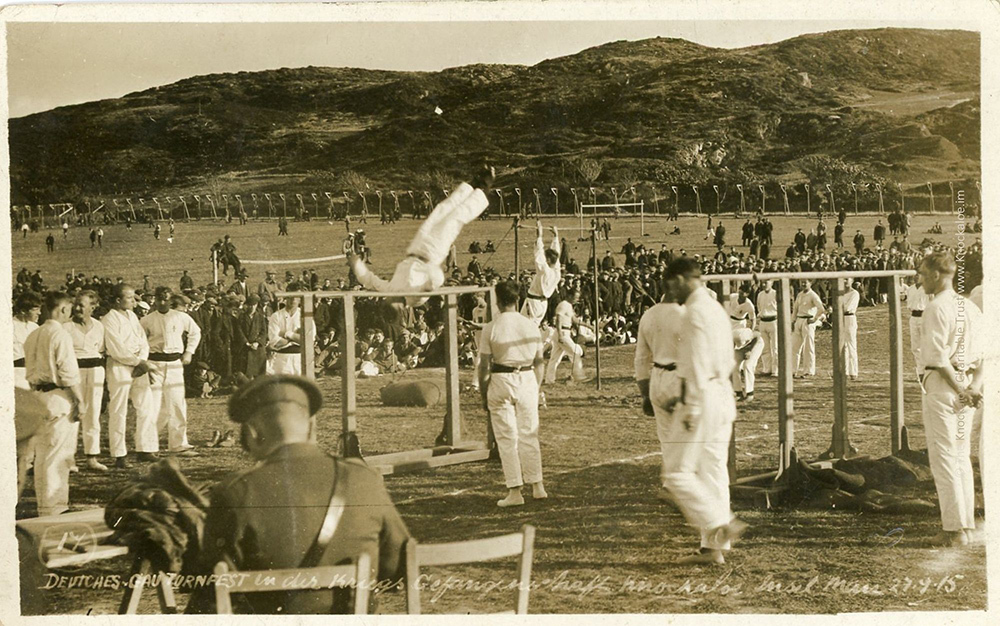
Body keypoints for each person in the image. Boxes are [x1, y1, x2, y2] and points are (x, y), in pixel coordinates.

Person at [185, 375, 410, 614]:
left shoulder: (235, 493)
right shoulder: (365, 479)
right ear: (312, 427)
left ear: (250, 434)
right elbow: (397, 564)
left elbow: (212, 588)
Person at [660, 258, 745, 565]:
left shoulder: (694, 313)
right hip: (722, 394)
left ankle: (721, 524)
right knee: (712, 470)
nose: (671, 293)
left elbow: (695, 365)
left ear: (683, 279)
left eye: (671, 285)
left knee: (675, 474)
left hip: (702, 396)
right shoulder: (715, 309)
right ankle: (714, 550)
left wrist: (690, 406)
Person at [349, 166, 494, 307]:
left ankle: (473, 183)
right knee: (454, 218)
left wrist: (355, 263)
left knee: (440, 210)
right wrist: (431, 268)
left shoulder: (390, 291)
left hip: (415, 249)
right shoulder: (414, 299)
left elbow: (369, 280)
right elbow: (436, 280)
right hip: (432, 253)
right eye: (388, 304)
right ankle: (485, 188)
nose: (385, 301)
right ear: (398, 308)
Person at [917, 251, 983, 547]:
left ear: (936, 275)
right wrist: (972, 388)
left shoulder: (936, 308)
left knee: (944, 457)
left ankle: (954, 529)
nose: (919, 280)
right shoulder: (970, 307)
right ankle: (965, 525)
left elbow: (939, 358)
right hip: (967, 385)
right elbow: (984, 359)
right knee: (960, 457)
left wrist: (959, 390)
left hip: (947, 387)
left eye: (922, 274)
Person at [477, 280, 547, 507]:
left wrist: (483, 392)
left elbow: (484, 365)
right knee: (529, 433)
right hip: (526, 378)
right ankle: (537, 486)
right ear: (518, 300)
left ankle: (515, 490)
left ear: (497, 301)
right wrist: (536, 387)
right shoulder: (530, 325)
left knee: (507, 438)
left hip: (501, 378)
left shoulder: (491, 327)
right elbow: (539, 362)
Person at [24, 291, 84, 516]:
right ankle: (54, 506)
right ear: (62, 310)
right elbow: (68, 373)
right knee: (58, 454)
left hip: (38, 396)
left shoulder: (33, 334)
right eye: (70, 309)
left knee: (44, 454)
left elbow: (30, 371)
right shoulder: (60, 335)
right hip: (58, 396)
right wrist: (80, 401)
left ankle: (49, 505)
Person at [634, 277, 685, 498]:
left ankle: (673, 482)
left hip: (657, 377)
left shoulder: (649, 315)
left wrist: (645, 394)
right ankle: (684, 483)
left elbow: (641, 358)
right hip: (681, 377)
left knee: (667, 435)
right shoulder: (684, 315)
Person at [141, 286, 202, 456]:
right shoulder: (147, 320)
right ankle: (148, 446)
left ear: (171, 300)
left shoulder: (181, 317)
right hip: (155, 364)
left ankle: (178, 444)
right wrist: (144, 362)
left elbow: (195, 333)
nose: (162, 302)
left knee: (176, 404)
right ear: (155, 299)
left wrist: (189, 352)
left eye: (166, 299)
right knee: (154, 405)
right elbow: (140, 341)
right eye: (159, 299)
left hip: (175, 364)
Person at [102, 283, 157, 468]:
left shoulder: (133, 316)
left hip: (139, 366)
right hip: (119, 366)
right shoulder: (109, 319)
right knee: (119, 410)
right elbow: (116, 348)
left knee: (146, 406)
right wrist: (137, 362)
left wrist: (142, 360)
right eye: (130, 298)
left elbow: (143, 341)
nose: (134, 301)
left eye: (135, 297)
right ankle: (119, 454)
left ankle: (145, 448)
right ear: (118, 300)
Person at [65, 290, 108, 471]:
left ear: (93, 306)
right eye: (76, 304)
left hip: (96, 371)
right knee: (72, 414)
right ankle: (69, 459)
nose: (77, 308)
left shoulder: (99, 326)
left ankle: (92, 457)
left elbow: (102, 350)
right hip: (74, 372)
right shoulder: (66, 327)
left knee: (93, 413)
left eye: (82, 305)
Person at [544, 287, 590, 384]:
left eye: (577, 298)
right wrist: (560, 334)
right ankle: (579, 376)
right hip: (562, 332)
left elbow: (574, 320)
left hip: (565, 332)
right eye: (575, 298)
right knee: (575, 353)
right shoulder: (563, 305)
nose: (576, 300)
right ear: (569, 296)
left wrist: (589, 326)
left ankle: (549, 380)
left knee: (555, 358)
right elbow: (558, 319)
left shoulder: (569, 306)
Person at [791, 279, 825, 378]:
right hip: (799, 321)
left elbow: (821, 309)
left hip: (808, 321)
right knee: (795, 347)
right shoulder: (800, 294)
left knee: (808, 347)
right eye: (802, 282)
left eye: (805, 282)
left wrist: (815, 319)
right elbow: (795, 309)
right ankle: (793, 370)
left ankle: (809, 371)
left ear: (810, 284)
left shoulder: (813, 295)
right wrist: (793, 321)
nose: (803, 284)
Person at [13, 292, 42, 390]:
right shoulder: (8, 326)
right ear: (23, 311)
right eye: (35, 310)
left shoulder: (35, 327)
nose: (39, 313)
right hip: (16, 375)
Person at [269, 295, 304, 375]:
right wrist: (297, 337)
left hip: (300, 358)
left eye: (296, 297)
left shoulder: (305, 316)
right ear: (286, 298)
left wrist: (288, 334)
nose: (293, 299)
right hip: (282, 359)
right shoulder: (276, 316)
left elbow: (308, 340)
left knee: (301, 386)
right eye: (290, 297)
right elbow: (275, 342)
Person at [906, 276, 929, 379]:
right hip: (913, 317)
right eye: (914, 275)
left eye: (918, 275)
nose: (915, 278)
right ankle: (921, 372)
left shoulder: (928, 288)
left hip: (925, 316)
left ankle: (929, 371)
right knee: (915, 346)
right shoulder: (910, 289)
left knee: (926, 344)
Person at [732, 326, 763, 401]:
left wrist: (750, 350)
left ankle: (750, 393)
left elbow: (758, 335)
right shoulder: (730, 336)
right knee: (734, 366)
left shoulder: (746, 334)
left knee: (747, 365)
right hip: (740, 347)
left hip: (755, 345)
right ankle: (738, 392)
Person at [755, 280, 778, 376]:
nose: (763, 284)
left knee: (775, 346)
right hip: (763, 321)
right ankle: (767, 368)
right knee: (765, 347)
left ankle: (775, 370)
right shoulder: (760, 294)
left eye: (766, 283)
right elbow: (758, 306)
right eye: (762, 283)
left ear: (771, 283)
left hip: (773, 321)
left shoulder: (775, 294)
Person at [840, 280, 861, 380]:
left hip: (849, 318)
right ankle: (845, 371)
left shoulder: (854, 293)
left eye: (847, 280)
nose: (845, 282)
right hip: (841, 319)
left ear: (852, 281)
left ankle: (853, 371)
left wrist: (835, 308)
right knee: (842, 345)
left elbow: (847, 308)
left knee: (851, 344)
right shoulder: (840, 293)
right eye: (843, 280)